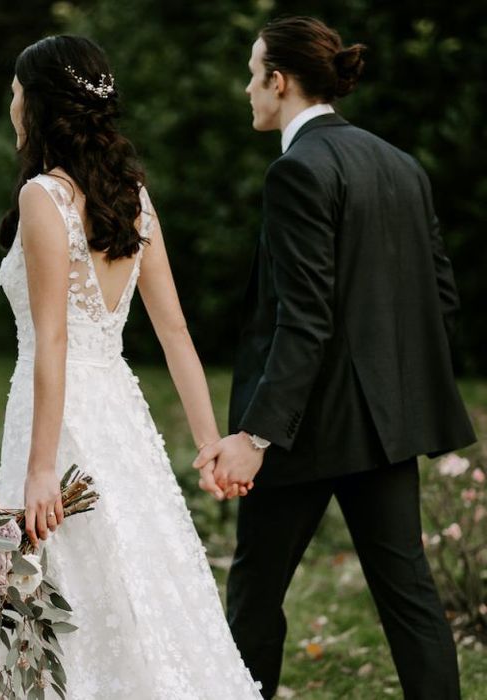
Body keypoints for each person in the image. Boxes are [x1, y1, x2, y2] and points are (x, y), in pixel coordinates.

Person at [0, 34, 262, 699]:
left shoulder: (44, 198)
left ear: (39, 105)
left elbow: (53, 343)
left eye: (16, 92)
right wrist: (208, 439)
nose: (11, 104)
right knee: (116, 573)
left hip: (61, 418)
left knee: (58, 575)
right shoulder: (133, 195)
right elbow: (175, 333)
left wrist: (42, 468)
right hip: (121, 419)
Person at [193, 16, 476, 700]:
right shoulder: (400, 164)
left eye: (252, 74)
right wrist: (394, 392)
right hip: (383, 427)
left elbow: (305, 320)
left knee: (256, 595)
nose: (246, 89)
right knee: (410, 598)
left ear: (279, 81)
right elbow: (439, 298)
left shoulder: (297, 171)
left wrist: (257, 435)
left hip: (304, 430)